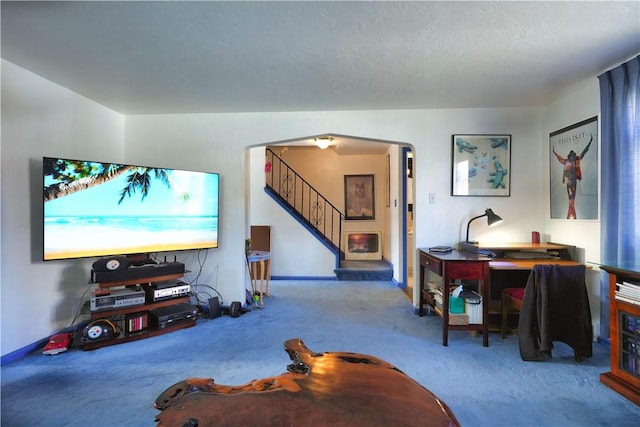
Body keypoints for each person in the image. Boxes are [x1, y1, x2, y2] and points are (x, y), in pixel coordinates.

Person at [552, 135, 592, 219]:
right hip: (571, 181)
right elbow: (583, 153)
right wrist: (554, 152)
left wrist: (589, 143)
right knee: (571, 198)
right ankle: (572, 216)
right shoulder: (574, 160)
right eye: (572, 156)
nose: (572, 157)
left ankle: (570, 215)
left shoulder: (568, 161)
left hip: (571, 181)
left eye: (573, 156)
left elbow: (583, 152)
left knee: (571, 198)